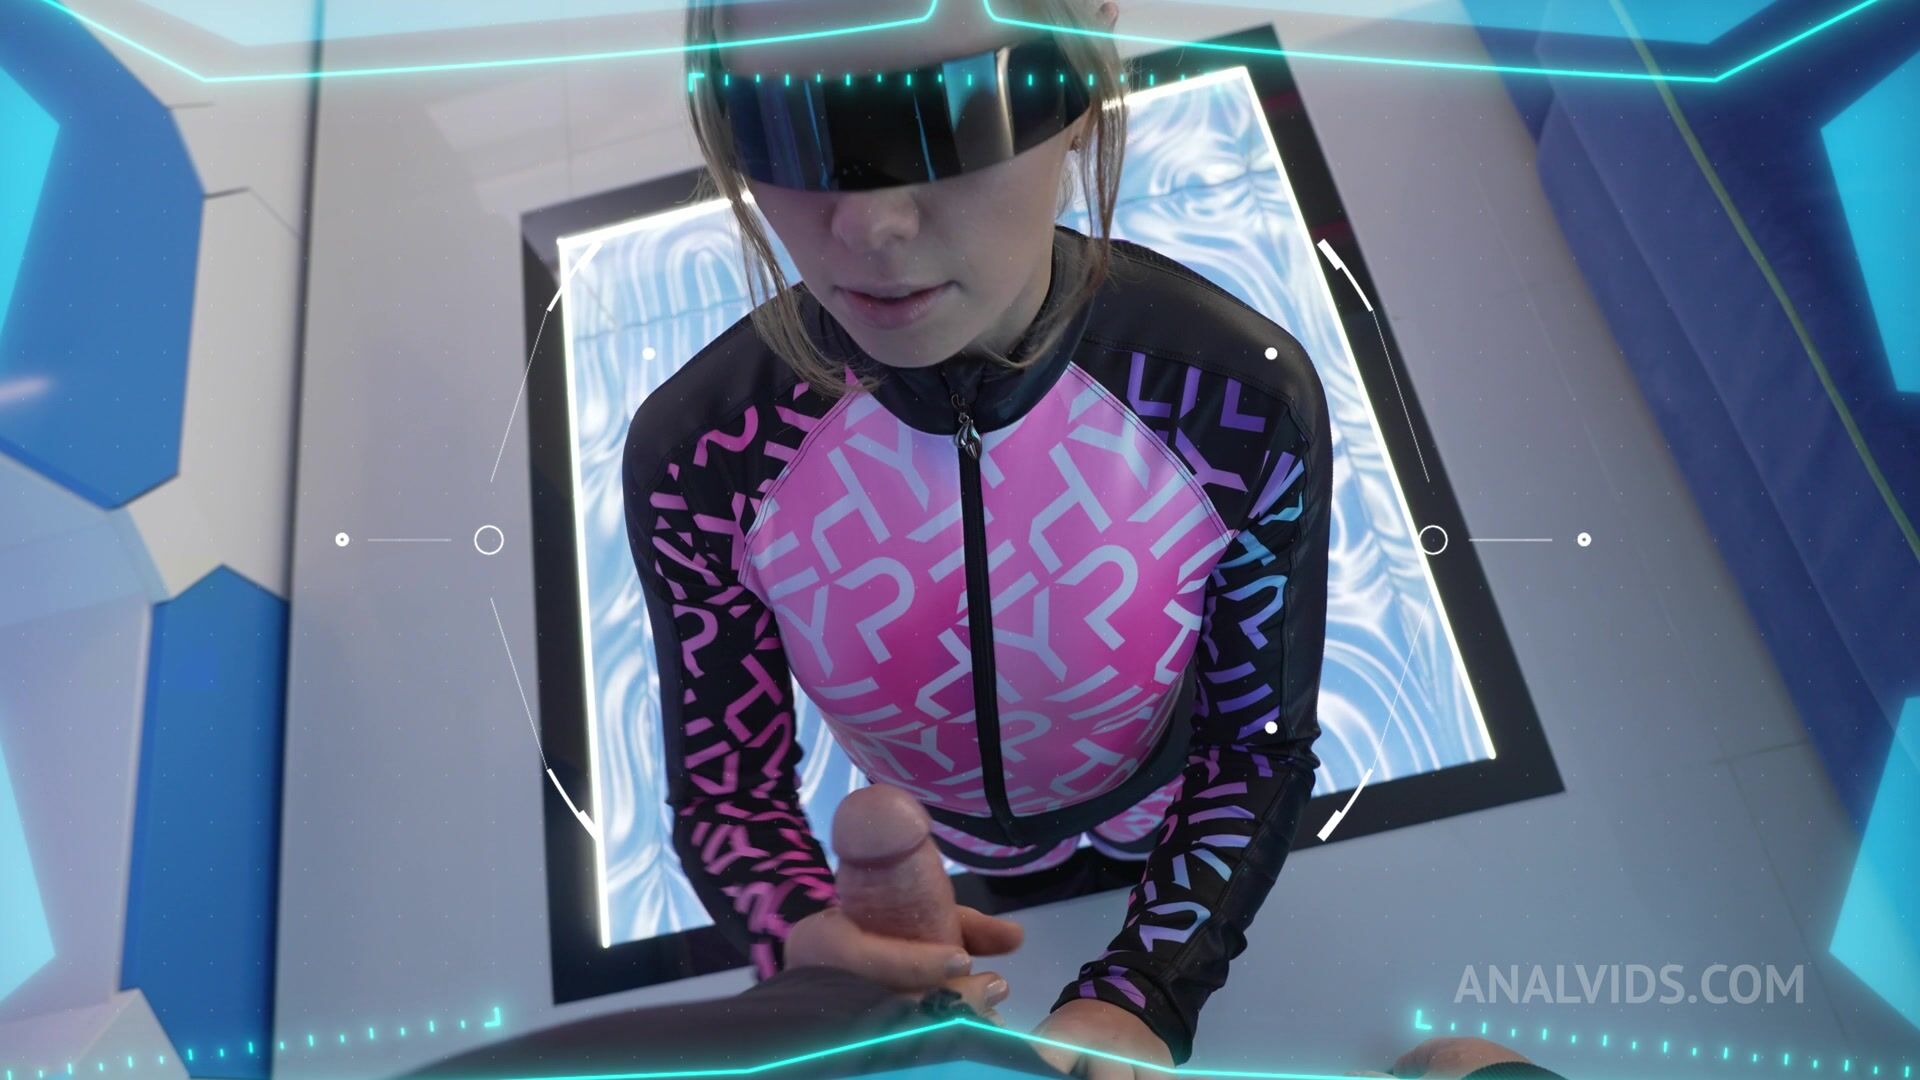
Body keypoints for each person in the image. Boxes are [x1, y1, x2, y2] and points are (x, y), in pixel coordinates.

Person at [622, 0, 1334, 1073]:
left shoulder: (1236, 401)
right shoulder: (701, 455)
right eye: (779, 126)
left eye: (957, 109)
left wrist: (1152, 983)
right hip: (935, 833)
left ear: (1086, 77)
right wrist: (797, 926)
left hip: (1159, 792)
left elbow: (1253, 746)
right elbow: (730, 788)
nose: (870, 226)